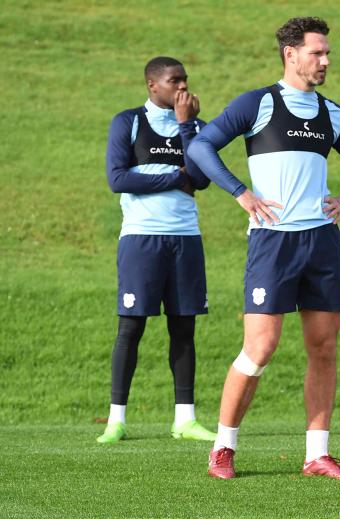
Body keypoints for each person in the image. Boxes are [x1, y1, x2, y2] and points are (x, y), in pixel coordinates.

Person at [187, 17, 340, 479]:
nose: (325, 61)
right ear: (291, 54)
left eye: (327, 53)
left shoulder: (332, 113)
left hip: (321, 241)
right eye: (317, 52)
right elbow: (201, 148)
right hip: (272, 241)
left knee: (324, 347)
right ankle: (223, 447)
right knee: (261, 346)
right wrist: (240, 192)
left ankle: (317, 454)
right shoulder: (258, 103)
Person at [100, 56, 216, 444]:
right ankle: (116, 420)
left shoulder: (196, 126)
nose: (182, 87)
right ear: (153, 85)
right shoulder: (128, 121)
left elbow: (200, 178)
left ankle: (185, 420)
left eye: (185, 80)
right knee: (131, 327)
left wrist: (185, 126)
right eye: (174, 81)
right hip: (141, 238)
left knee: (184, 328)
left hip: (185, 238)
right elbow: (118, 179)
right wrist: (174, 177)